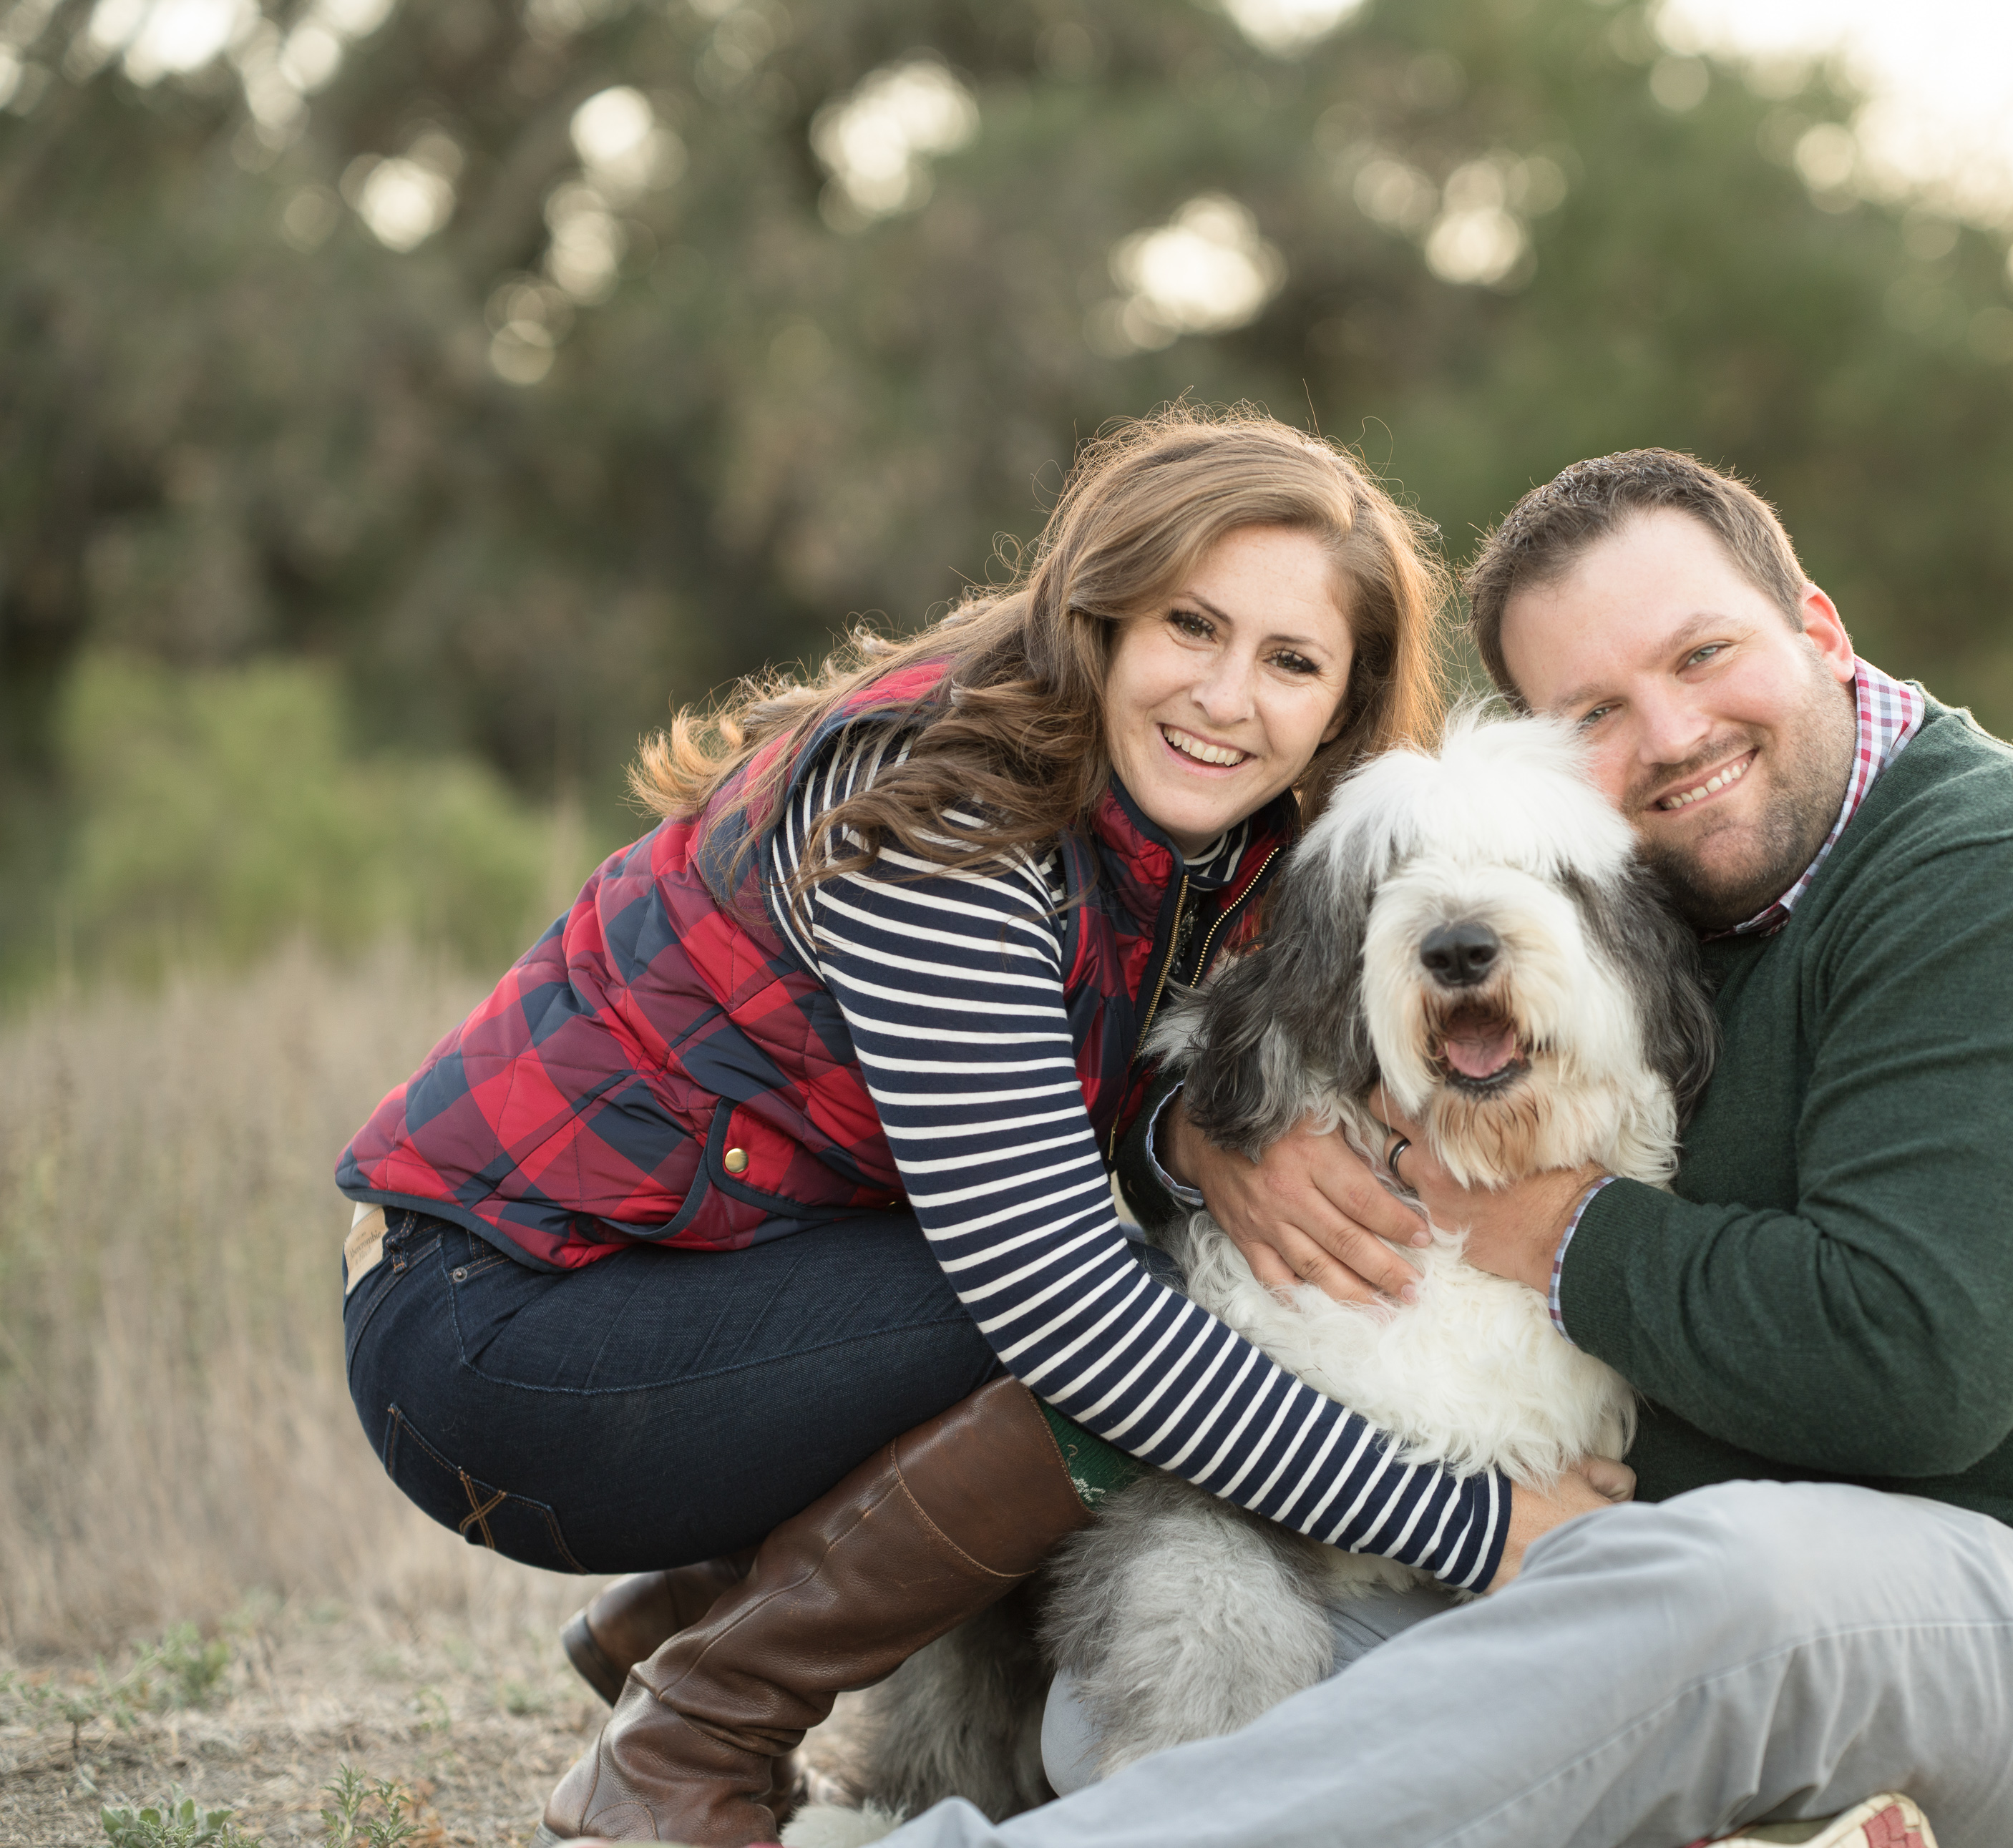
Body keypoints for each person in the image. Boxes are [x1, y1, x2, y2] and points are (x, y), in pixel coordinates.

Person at [904, 449, 2013, 1848]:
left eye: (1702, 656)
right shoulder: (1661, 897)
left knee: (1723, 1586)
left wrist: (1556, 1229)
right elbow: (1331, 1023)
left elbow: (1906, 1369)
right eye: (1597, 711)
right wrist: (1198, 1139)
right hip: (1726, 1583)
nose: (1671, 734)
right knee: (1149, 1691)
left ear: (1815, 624)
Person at [329, 409, 1627, 1848]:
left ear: (1344, 701)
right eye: (1187, 625)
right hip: (494, 1339)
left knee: (1145, 1285)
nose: (1225, 694)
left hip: (710, 1284)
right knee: (1122, 1330)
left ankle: (703, 1603)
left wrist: (1182, 1138)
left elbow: (1073, 1103)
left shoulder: (1220, 837)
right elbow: (1059, 1299)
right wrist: (1476, 1525)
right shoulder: (944, 824)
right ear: (1096, 614)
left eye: (1290, 661)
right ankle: (696, 1722)